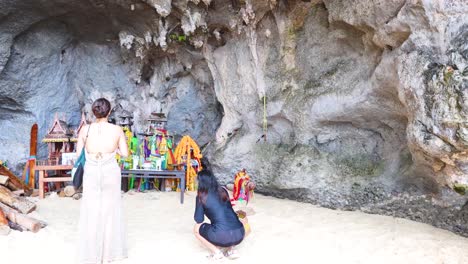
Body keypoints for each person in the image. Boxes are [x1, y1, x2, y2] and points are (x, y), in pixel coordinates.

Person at [76, 98, 129, 264]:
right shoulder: (117, 130)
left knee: (91, 212)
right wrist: (113, 151)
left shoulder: (85, 129)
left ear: (94, 112)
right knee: (109, 213)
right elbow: (125, 154)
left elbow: (79, 155)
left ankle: (92, 255)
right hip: (110, 172)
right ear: (110, 111)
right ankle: (106, 257)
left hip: (92, 172)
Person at [193, 169, 245, 260]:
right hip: (240, 233)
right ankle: (231, 250)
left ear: (201, 182)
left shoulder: (201, 196)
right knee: (228, 221)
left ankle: (217, 252)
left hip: (222, 235)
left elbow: (199, 219)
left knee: (196, 228)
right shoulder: (223, 190)